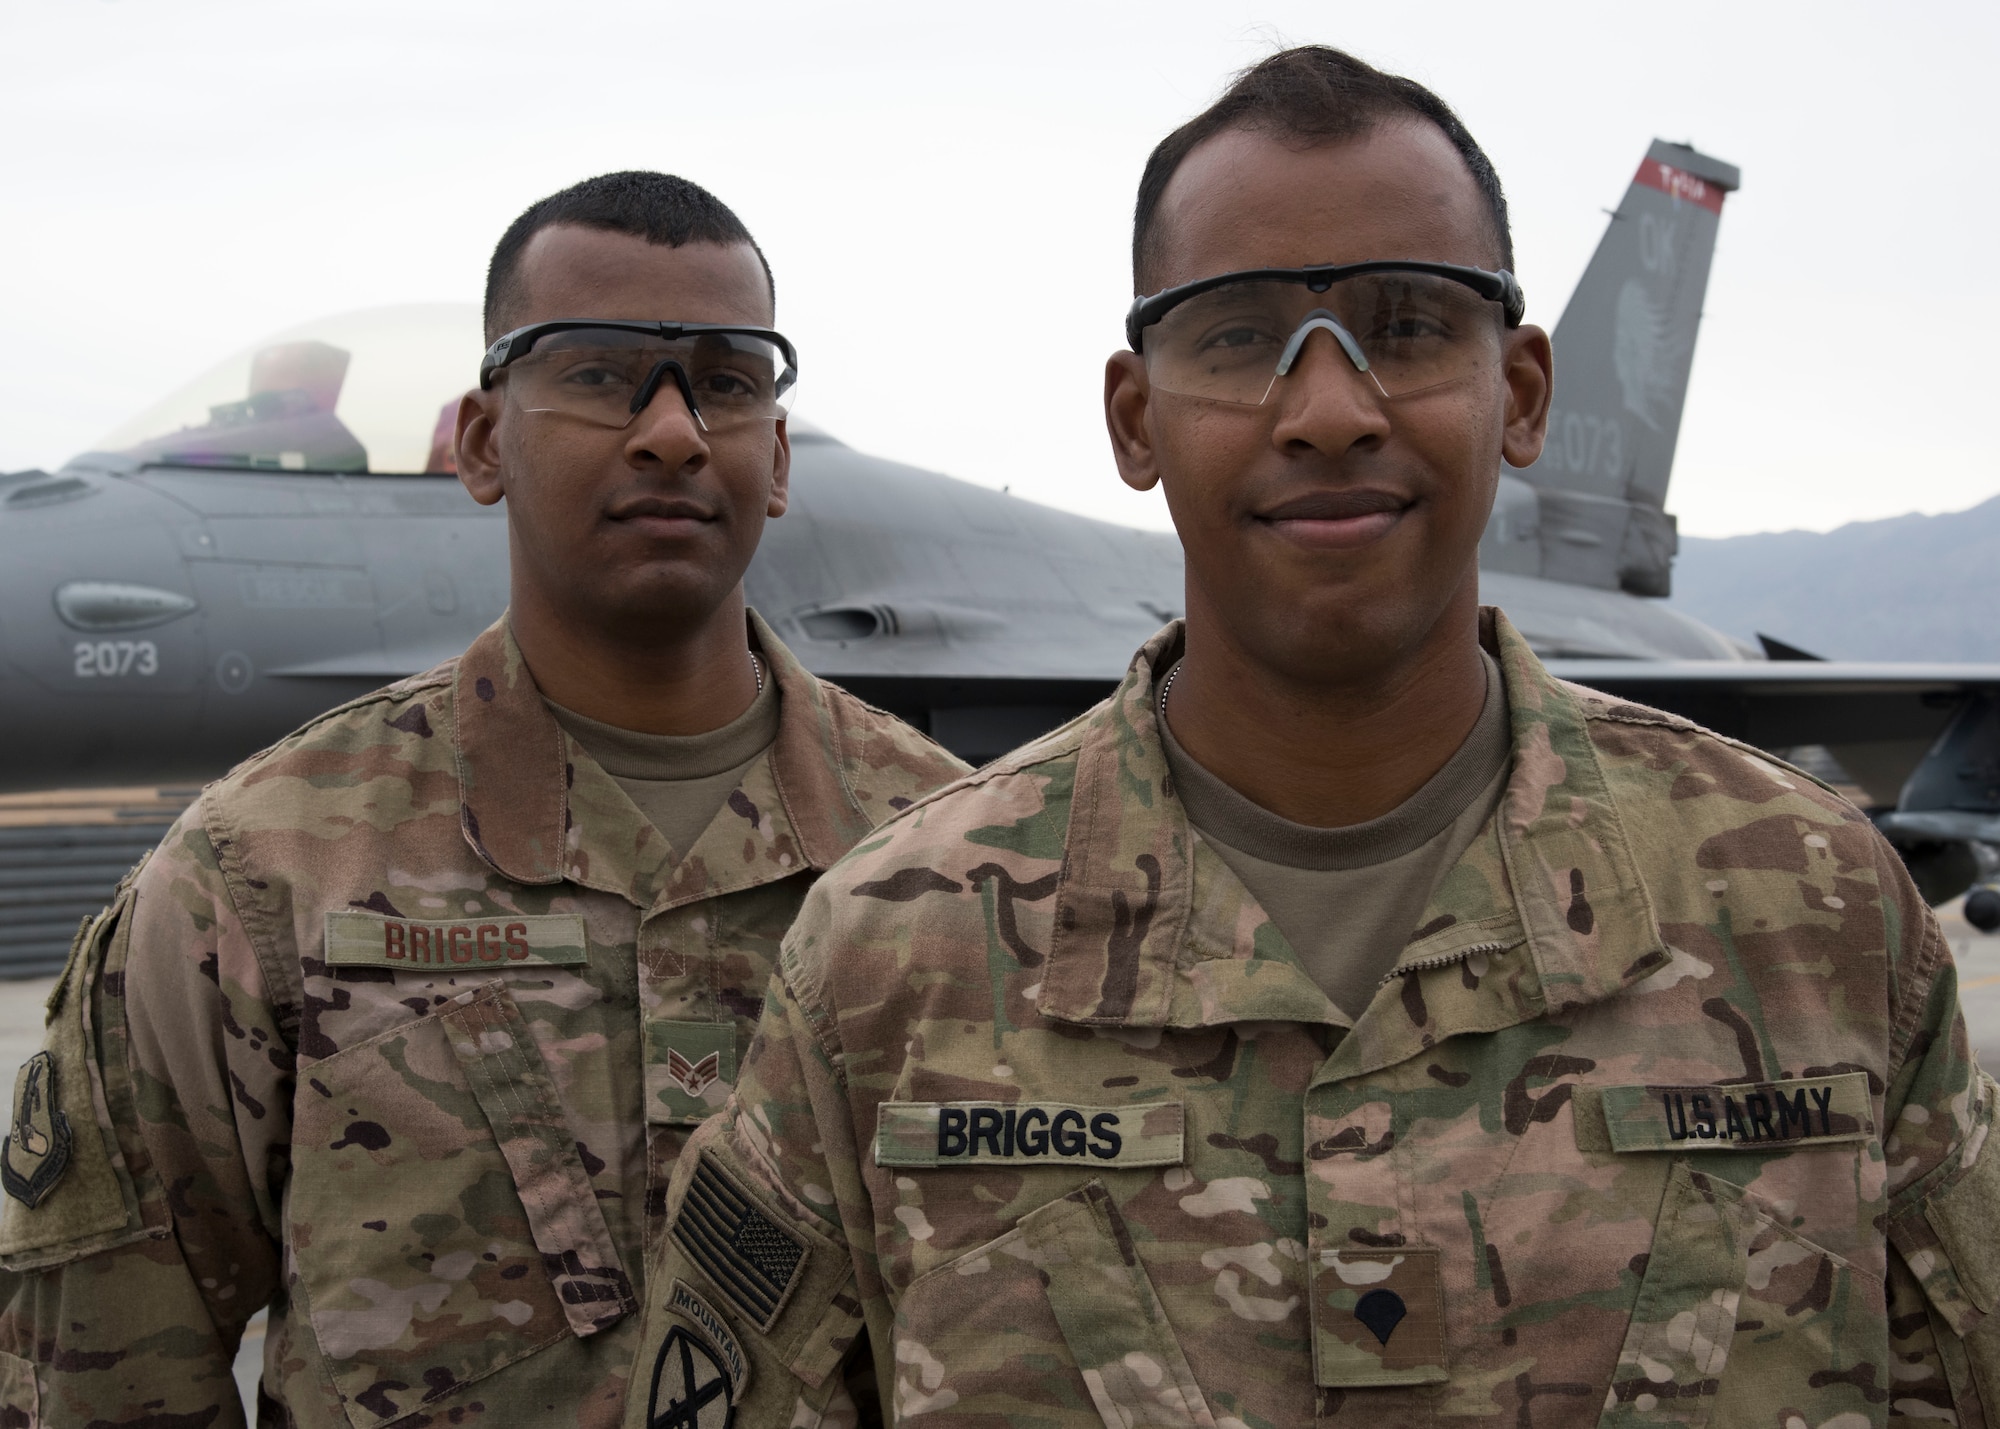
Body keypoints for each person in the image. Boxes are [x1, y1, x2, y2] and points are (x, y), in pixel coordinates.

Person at [625, 48, 2000, 1427]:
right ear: (1133, 416)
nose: (1331, 411)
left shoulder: (1818, 915)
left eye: (1407, 328)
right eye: (1235, 336)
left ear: (1521, 393)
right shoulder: (884, 958)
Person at [0, 171, 965, 1427]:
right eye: (594, 371)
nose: (669, 430)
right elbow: (99, 1372)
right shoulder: (256, 878)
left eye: (725, 381)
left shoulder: (966, 866)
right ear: (478, 441)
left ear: (775, 458)